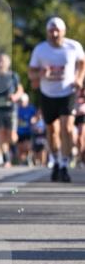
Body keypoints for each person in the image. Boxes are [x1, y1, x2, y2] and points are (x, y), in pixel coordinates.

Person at [28, 16, 85, 182]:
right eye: (51, 31)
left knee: (67, 128)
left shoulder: (73, 46)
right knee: (52, 130)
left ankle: (65, 165)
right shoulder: (40, 50)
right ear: (47, 32)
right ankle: (56, 160)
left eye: (57, 30)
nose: (54, 34)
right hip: (48, 94)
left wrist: (79, 78)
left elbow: (82, 63)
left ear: (63, 32)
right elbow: (31, 74)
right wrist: (40, 74)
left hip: (67, 92)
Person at [0, 52, 23, 167]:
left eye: (3, 61)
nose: (1, 63)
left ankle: (14, 149)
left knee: (11, 136)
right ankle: (7, 159)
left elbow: (20, 90)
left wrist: (15, 97)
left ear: (8, 63)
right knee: (1, 134)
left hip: (11, 109)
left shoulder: (13, 76)